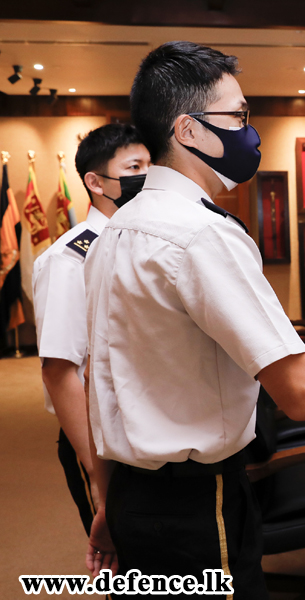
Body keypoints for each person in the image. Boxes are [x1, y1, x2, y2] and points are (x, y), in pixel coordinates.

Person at [83, 41, 305, 596]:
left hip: (137, 497)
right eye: (238, 116)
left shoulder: (115, 232)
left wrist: (109, 502)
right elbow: (301, 390)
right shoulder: (201, 235)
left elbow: (104, 385)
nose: (248, 132)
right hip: (196, 505)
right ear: (188, 130)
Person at [32, 124, 151, 539]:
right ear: (95, 182)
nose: (146, 178)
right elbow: (59, 370)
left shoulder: (141, 241)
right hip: (99, 442)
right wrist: (97, 473)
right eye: (134, 167)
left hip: (145, 433)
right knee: (119, 559)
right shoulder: (69, 259)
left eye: (151, 166)